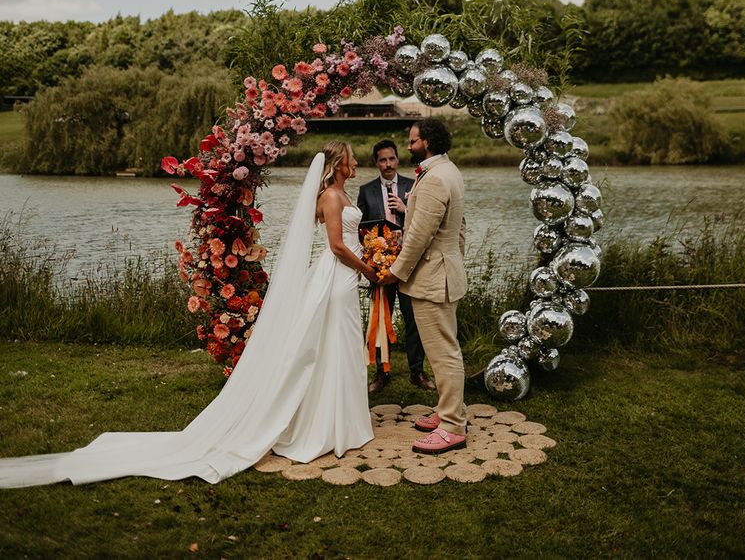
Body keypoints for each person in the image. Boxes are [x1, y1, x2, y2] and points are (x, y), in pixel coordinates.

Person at [0, 142, 376, 488]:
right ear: (339, 162)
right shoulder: (329, 195)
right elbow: (338, 246)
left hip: (345, 275)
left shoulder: (343, 193)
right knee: (332, 343)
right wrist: (369, 268)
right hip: (336, 275)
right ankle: (323, 423)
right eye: (352, 158)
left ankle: (342, 420)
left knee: (339, 344)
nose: (357, 161)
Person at [380, 119, 468, 455]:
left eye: (413, 140)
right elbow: (460, 228)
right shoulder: (450, 171)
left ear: (427, 142)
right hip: (445, 271)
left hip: (434, 278)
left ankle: (452, 427)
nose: (408, 144)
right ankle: (451, 411)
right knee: (444, 349)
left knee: (443, 353)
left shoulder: (434, 179)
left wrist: (397, 271)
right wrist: (455, 260)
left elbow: (419, 234)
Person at [356, 139, 435, 394]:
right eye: (382, 160)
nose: (388, 164)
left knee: (414, 318)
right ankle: (381, 373)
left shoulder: (414, 186)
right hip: (381, 268)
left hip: (409, 265)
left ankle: (417, 371)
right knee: (381, 318)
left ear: (397, 159)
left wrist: (406, 207)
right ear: (376, 163)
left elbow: (424, 221)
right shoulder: (366, 191)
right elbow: (361, 229)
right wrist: (372, 255)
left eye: (391, 159)